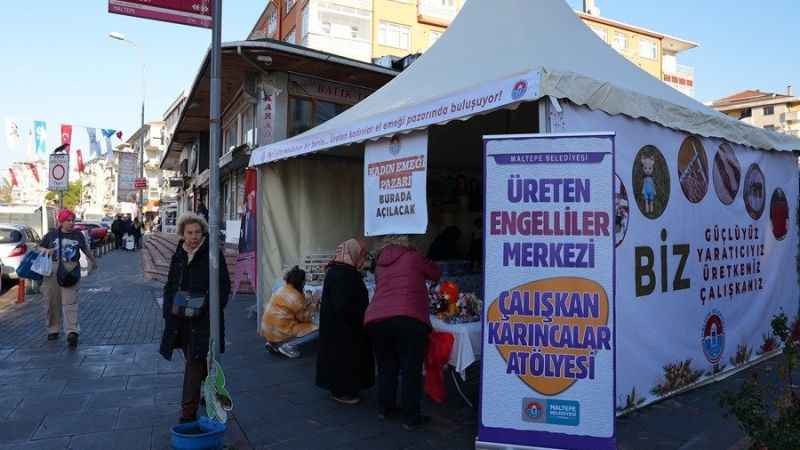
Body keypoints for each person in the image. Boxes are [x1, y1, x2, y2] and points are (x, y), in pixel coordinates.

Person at [159, 212, 231, 424]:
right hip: (180, 317)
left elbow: (223, 286)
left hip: (204, 318)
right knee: (197, 358)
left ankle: (187, 412)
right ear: (182, 234)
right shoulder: (179, 253)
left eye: (198, 232)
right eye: (189, 232)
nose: (194, 236)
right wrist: (168, 311)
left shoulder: (211, 253)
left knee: (195, 361)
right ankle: (208, 391)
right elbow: (171, 283)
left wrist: (209, 307)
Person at [365, 235, 441, 431]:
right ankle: (411, 417)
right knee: (410, 368)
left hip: (377, 318)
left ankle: (386, 408)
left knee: (386, 365)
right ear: (406, 241)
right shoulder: (413, 256)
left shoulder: (380, 263)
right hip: (408, 316)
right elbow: (435, 273)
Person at [315, 239, 374, 405]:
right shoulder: (344, 274)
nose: (363, 260)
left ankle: (342, 388)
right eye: (361, 255)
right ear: (353, 253)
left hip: (338, 326)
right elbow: (344, 304)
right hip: (344, 328)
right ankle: (342, 391)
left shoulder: (338, 270)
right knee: (344, 359)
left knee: (341, 359)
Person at [39, 208, 96, 347]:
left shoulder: (78, 235)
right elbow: (38, 248)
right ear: (61, 221)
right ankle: (53, 329)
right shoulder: (51, 235)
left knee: (70, 302)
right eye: (68, 221)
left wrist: (93, 261)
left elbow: (85, 249)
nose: (71, 223)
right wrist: (47, 251)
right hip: (52, 271)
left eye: (73, 220)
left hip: (71, 270)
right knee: (52, 302)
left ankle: (72, 332)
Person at [262, 266, 318, 359]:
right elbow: (304, 318)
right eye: (304, 281)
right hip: (280, 331)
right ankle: (289, 345)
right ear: (301, 282)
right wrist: (314, 304)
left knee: (289, 323)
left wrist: (307, 299)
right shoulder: (296, 297)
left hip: (268, 331)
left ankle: (274, 344)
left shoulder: (282, 289)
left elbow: (295, 306)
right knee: (317, 329)